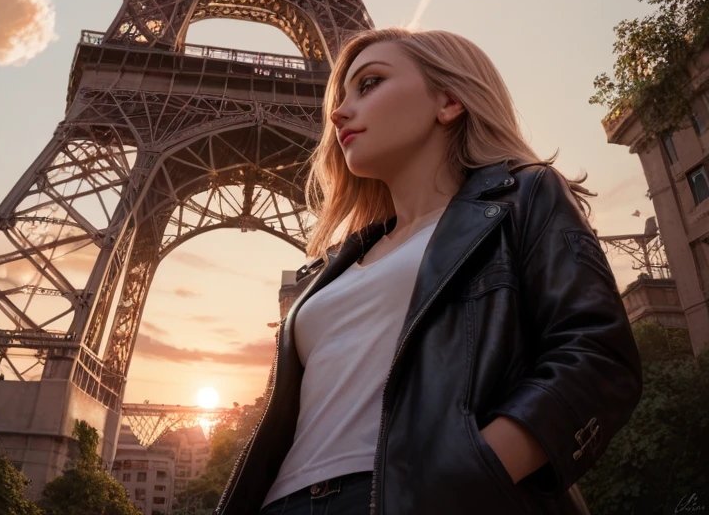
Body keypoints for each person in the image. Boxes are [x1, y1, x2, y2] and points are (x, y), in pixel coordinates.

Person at [213, 27, 643, 515]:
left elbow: (596, 356)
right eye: (342, 94)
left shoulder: (524, 197)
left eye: (370, 83)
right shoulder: (335, 264)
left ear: (449, 101)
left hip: (410, 495)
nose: (338, 112)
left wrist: (463, 476)